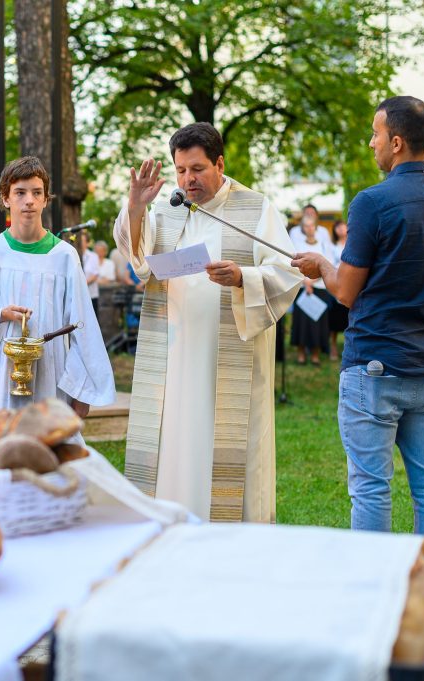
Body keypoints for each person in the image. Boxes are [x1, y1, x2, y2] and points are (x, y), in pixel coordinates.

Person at [292, 95, 424, 535]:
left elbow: (346, 292)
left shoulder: (372, 202)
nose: (372, 143)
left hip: (374, 366)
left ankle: (375, 596)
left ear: (398, 142)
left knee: (370, 487)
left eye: (376, 134)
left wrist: (321, 266)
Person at [114, 122, 301, 522]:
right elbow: (138, 258)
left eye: (197, 169)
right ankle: (173, 524)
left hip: (229, 360)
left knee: (228, 454)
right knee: (175, 445)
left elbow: (287, 273)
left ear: (219, 163)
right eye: (181, 170)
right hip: (174, 357)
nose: (188, 179)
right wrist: (136, 206)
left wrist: (242, 278)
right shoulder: (167, 208)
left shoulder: (255, 209)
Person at [0, 156, 115, 421]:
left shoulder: (64, 256)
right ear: (6, 199)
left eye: (36, 192)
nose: (29, 200)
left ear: (46, 199)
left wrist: (81, 390)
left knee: (49, 447)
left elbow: (82, 324)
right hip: (3, 374)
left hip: (51, 370)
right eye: (20, 192)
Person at [289, 215, 334, 365]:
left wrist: (312, 282)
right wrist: (306, 283)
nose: (309, 228)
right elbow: (293, 264)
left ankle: (315, 355)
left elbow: (328, 264)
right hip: (302, 288)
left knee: (318, 322)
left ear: (315, 227)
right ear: (303, 228)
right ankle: (301, 354)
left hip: (320, 288)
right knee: (301, 323)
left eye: (312, 225)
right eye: (306, 226)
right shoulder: (298, 245)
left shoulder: (323, 245)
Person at [328, 220, 349, 360]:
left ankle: (348, 348)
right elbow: (331, 263)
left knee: (350, 318)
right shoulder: (333, 247)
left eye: (342, 226)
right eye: (337, 228)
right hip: (337, 281)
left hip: (352, 282)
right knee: (335, 319)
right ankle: (333, 347)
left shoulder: (355, 244)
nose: (340, 229)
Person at [77, 231, 100, 314]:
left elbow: (95, 275)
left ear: (87, 243)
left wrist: (81, 284)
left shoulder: (93, 256)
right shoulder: (74, 255)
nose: (80, 243)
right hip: (78, 297)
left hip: (91, 295)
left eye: (82, 241)